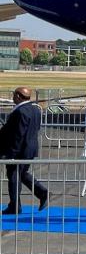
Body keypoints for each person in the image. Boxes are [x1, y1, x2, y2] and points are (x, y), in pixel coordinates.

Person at [0, 87, 48, 215]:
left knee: (14, 177)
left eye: (14, 95)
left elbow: (18, 135)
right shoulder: (35, 109)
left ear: (18, 96)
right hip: (29, 149)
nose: (13, 97)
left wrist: (11, 154)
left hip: (19, 150)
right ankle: (41, 193)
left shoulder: (20, 112)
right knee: (21, 174)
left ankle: (15, 206)